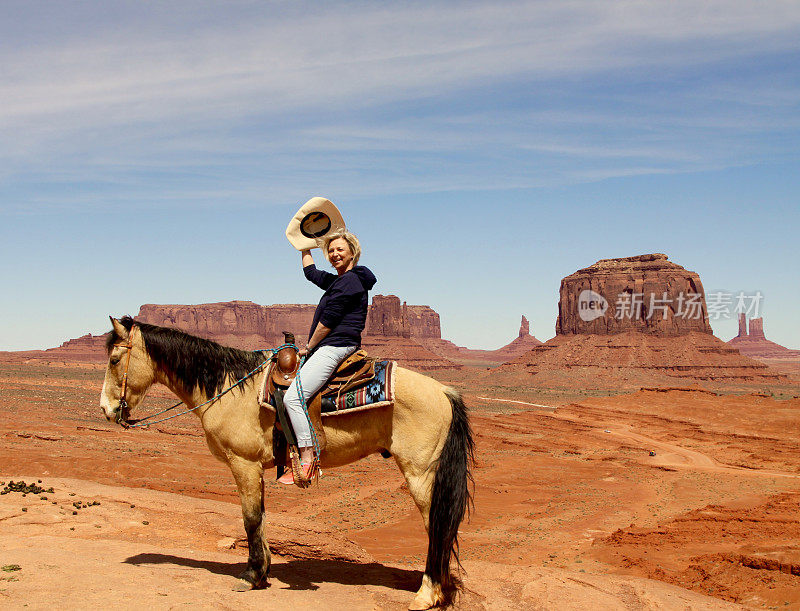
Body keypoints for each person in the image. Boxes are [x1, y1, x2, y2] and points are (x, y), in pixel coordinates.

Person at [278, 228, 377, 485]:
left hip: (335, 347)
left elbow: (328, 321)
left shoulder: (350, 282)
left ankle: (308, 459)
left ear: (352, 252)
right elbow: (311, 273)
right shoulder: (340, 280)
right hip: (333, 346)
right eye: (330, 251)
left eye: (339, 249)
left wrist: (309, 347)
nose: (334, 254)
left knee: (294, 398)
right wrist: (304, 246)